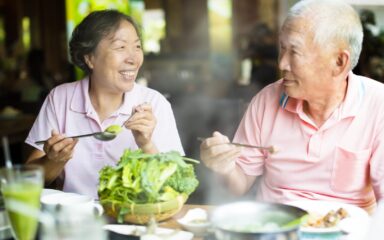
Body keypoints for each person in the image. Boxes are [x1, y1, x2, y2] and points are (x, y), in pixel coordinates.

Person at [200, 0, 384, 213]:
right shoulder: (266, 100)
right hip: (275, 227)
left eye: (294, 52)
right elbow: (239, 184)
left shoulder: (378, 105)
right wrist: (224, 167)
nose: (282, 64)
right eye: (282, 49)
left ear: (339, 62)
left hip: (345, 230)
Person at [25, 10, 184, 198]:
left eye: (137, 46)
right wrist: (55, 161)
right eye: (120, 47)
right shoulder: (61, 98)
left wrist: (146, 144)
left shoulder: (155, 104)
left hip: (134, 219)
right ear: (89, 58)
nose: (133, 58)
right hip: (75, 219)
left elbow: (177, 188)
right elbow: (28, 180)